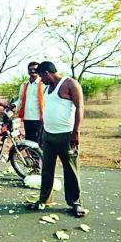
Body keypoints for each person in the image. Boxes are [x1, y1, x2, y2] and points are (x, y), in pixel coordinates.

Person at [27, 61, 88, 217]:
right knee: (47, 170)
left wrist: (76, 132)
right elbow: (46, 111)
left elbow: (80, 108)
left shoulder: (70, 84)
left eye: (41, 76)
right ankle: (44, 200)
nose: (41, 80)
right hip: (49, 135)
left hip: (66, 135)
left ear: (47, 73)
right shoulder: (48, 88)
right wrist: (41, 133)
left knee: (71, 171)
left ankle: (75, 203)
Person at [13, 61, 45, 143]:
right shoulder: (24, 85)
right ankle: (31, 156)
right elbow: (20, 99)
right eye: (30, 69)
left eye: (35, 69)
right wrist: (13, 105)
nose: (32, 71)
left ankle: (40, 156)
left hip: (39, 118)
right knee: (29, 141)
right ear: (28, 71)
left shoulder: (44, 84)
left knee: (40, 141)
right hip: (27, 118)